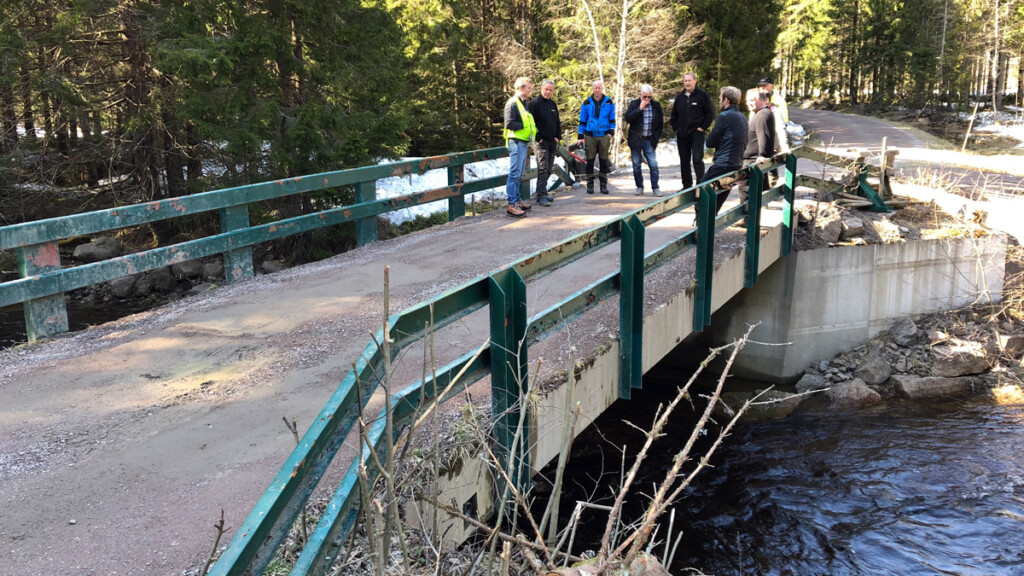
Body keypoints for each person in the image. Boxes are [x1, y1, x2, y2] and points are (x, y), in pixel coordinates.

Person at [699, 86, 748, 215]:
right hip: (736, 165)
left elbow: (710, 142)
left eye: (721, 98)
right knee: (715, 204)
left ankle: (700, 232)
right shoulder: (742, 117)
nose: (720, 101)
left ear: (726, 100)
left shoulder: (724, 116)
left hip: (723, 165)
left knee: (701, 196)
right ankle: (707, 231)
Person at [669, 72, 714, 190]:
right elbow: (674, 115)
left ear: (695, 81)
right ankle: (686, 186)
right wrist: (676, 127)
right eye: (685, 81)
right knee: (684, 161)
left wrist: (702, 127)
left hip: (696, 133)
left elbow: (709, 114)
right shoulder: (679, 97)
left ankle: (700, 185)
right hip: (682, 134)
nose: (687, 83)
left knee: (697, 159)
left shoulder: (702, 96)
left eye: (689, 80)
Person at [504, 77, 537, 217]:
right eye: (529, 88)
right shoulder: (512, 103)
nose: (531, 90)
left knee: (519, 173)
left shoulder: (523, 103)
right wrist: (524, 126)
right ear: (521, 89)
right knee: (514, 174)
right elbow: (509, 124)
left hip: (522, 142)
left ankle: (517, 200)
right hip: (515, 142)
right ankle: (512, 204)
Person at [739, 88, 776, 210]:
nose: (748, 103)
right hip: (752, 158)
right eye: (747, 100)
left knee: (746, 189)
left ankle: (746, 218)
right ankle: (752, 218)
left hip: (754, 160)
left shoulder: (763, 114)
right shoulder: (758, 113)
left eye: (752, 100)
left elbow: (763, 135)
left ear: (762, 100)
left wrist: (762, 155)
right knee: (754, 190)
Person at [624, 84, 664, 196]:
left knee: (653, 164)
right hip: (636, 139)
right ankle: (639, 187)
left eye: (649, 97)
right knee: (636, 165)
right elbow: (628, 118)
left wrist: (655, 139)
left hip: (649, 140)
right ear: (641, 95)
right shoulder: (634, 104)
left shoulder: (656, 106)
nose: (647, 99)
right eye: (645, 97)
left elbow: (660, 124)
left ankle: (655, 187)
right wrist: (640, 109)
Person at [577, 80, 616, 194]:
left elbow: (612, 119)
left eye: (599, 88)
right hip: (590, 135)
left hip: (604, 134)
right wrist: (580, 136)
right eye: (595, 88)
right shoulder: (587, 103)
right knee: (590, 161)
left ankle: (603, 185)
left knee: (603, 160)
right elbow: (582, 120)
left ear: (602, 88)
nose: (597, 90)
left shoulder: (609, 102)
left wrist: (610, 134)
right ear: (592, 89)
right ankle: (590, 185)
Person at [527, 79, 561, 207]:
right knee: (543, 168)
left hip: (552, 141)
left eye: (550, 90)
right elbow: (531, 123)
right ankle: (541, 195)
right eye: (546, 89)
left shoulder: (552, 104)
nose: (548, 92)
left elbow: (557, 121)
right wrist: (538, 137)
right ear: (541, 89)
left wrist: (558, 136)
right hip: (541, 142)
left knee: (549, 168)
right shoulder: (534, 104)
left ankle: (542, 192)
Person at [758, 77, 789, 153]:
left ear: (771, 86)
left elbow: (782, 125)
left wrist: (783, 144)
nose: (762, 88)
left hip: (773, 140)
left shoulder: (779, 101)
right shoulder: (756, 99)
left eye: (764, 85)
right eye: (760, 86)